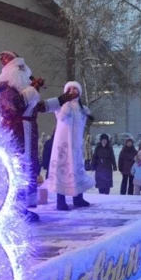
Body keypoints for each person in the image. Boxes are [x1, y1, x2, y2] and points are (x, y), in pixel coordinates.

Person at [0, 53, 78, 221]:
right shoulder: (5, 88)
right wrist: (33, 89)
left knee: (29, 168)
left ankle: (23, 207)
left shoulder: (23, 89)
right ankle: (14, 209)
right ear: (13, 71)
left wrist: (64, 98)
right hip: (15, 132)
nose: (25, 72)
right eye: (21, 69)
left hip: (28, 131)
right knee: (17, 168)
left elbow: (40, 106)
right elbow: (12, 107)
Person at [43, 81, 95, 210]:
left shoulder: (81, 108)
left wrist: (87, 113)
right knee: (62, 169)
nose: (72, 91)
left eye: (75, 89)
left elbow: (87, 120)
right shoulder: (61, 105)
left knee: (76, 169)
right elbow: (61, 117)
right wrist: (66, 103)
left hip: (76, 146)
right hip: (63, 145)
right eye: (70, 89)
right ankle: (60, 201)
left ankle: (78, 198)